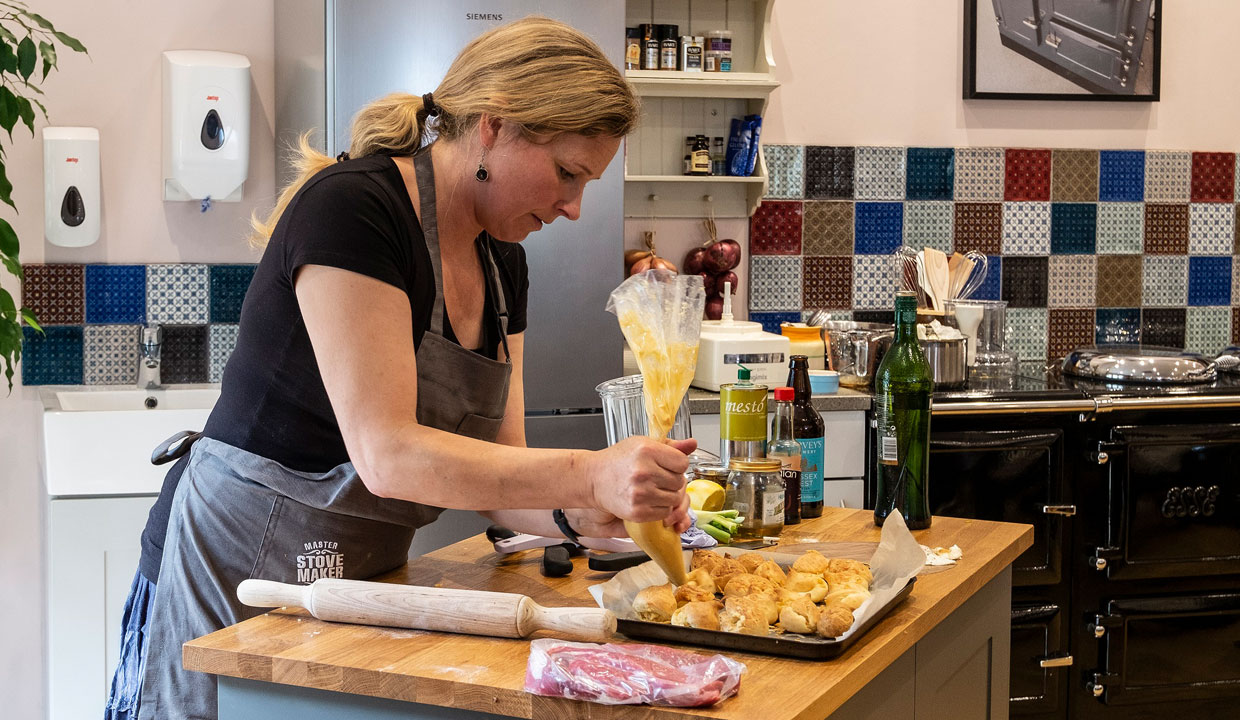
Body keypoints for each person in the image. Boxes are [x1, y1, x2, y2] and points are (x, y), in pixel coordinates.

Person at [103, 17, 694, 720]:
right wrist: (591, 470)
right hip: (230, 573)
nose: (573, 207)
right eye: (567, 173)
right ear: (494, 126)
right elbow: (388, 456)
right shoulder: (357, 211)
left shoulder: (502, 261)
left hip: (357, 589)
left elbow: (500, 477)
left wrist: (596, 515)